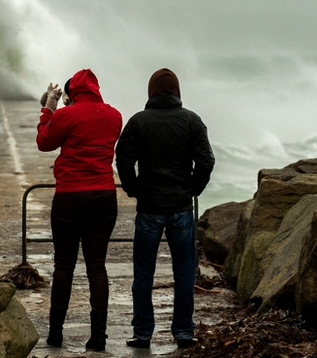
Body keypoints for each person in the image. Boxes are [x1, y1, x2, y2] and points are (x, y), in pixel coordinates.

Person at [115, 68, 215, 349]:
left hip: (149, 207)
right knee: (184, 272)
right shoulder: (192, 121)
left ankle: (143, 333)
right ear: (177, 91)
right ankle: (183, 331)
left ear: (151, 91)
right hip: (181, 207)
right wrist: (193, 188)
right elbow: (206, 161)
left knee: (143, 273)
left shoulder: (138, 122)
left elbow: (123, 158)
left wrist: (133, 187)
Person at [36, 69, 123, 351]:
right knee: (97, 267)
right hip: (103, 196)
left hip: (70, 196)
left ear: (71, 94)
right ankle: (98, 336)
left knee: (64, 266)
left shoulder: (65, 115)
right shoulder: (114, 116)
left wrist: (49, 109)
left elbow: (44, 142)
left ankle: (55, 335)